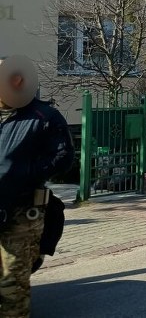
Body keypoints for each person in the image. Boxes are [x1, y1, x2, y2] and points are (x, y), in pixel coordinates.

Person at [0, 56, 74, 317]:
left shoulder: (44, 116)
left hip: (21, 214)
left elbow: (63, 158)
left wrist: (22, 173)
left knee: (11, 286)